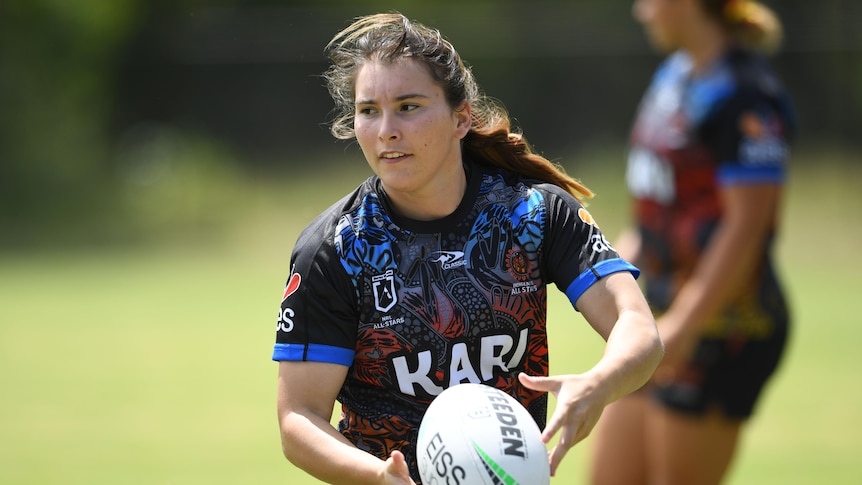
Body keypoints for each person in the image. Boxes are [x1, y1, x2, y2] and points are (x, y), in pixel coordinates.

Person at [273, 12, 663, 485]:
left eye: (409, 106)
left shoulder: (534, 213)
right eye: (369, 110)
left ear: (461, 117)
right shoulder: (337, 247)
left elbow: (638, 327)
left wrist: (599, 384)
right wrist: (378, 477)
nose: (386, 130)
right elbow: (299, 418)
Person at [590, 1, 795, 484]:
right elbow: (652, 215)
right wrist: (608, 283)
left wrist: (684, 327)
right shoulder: (673, 78)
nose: (640, 11)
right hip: (658, 318)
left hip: (720, 328)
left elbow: (746, 228)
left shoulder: (747, 96)